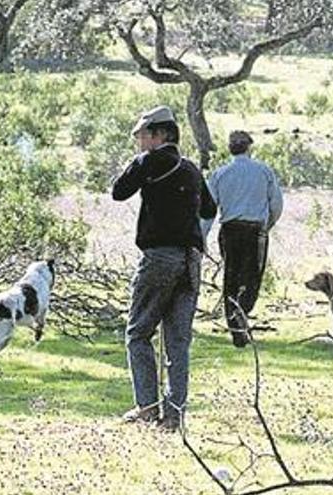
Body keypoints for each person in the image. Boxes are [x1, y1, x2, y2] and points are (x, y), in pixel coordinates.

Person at [112, 105, 216, 431]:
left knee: (138, 333)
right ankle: (173, 416)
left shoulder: (149, 161)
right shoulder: (190, 168)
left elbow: (119, 192)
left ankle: (146, 406)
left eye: (142, 135)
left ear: (159, 135)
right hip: (191, 260)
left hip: (159, 257)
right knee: (177, 341)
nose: (139, 142)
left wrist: (139, 164)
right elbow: (210, 208)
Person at [203, 130, 284, 348]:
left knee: (231, 276)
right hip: (254, 230)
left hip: (229, 230)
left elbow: (208, 210)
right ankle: (242, 315)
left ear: (231, 148)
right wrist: (268, 225)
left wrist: (201, 237)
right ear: (249, 147)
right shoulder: (263, 171)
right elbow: (276, 204)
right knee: (252, 277)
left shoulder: (220, 174)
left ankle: (236, 325)